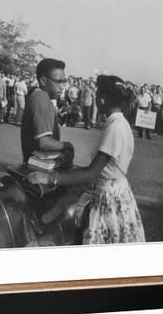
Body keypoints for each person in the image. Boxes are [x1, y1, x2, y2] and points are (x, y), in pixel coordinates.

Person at [29, 75, 145, 244]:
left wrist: (50, 178)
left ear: (103, 100)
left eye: (97, 94)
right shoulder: (120, 122)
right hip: (114, 189)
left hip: (109, 196)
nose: (95, 97)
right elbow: (103, 167)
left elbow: (91, 173)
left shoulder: (115, 128)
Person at [20, 58, 74, 165]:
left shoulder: (40, 96)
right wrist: (67, 146)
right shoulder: (40, 97)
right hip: (38, 168)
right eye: (58, 82)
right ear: (43, 80)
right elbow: (43, 142)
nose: (62, 87)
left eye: (63, 82)